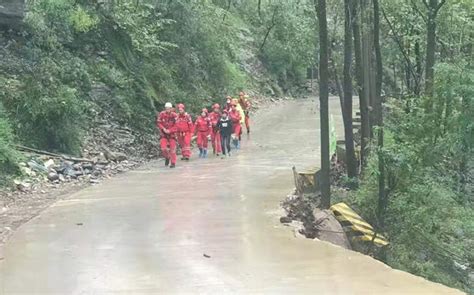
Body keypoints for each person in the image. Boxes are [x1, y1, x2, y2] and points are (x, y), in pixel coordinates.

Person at [156, 102, 178, 168]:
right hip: (164, 134)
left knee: (173, 150)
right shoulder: (162, 114)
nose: (167, 109)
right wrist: (163, 129)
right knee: (163, 148)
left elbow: (177, 126)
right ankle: (167, 157)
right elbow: (159, 123)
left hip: (172, 135)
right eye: (166, 108)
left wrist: (170, 130)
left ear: (171, 109)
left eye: (169, 108)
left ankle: (173, 163)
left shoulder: (175, 115)